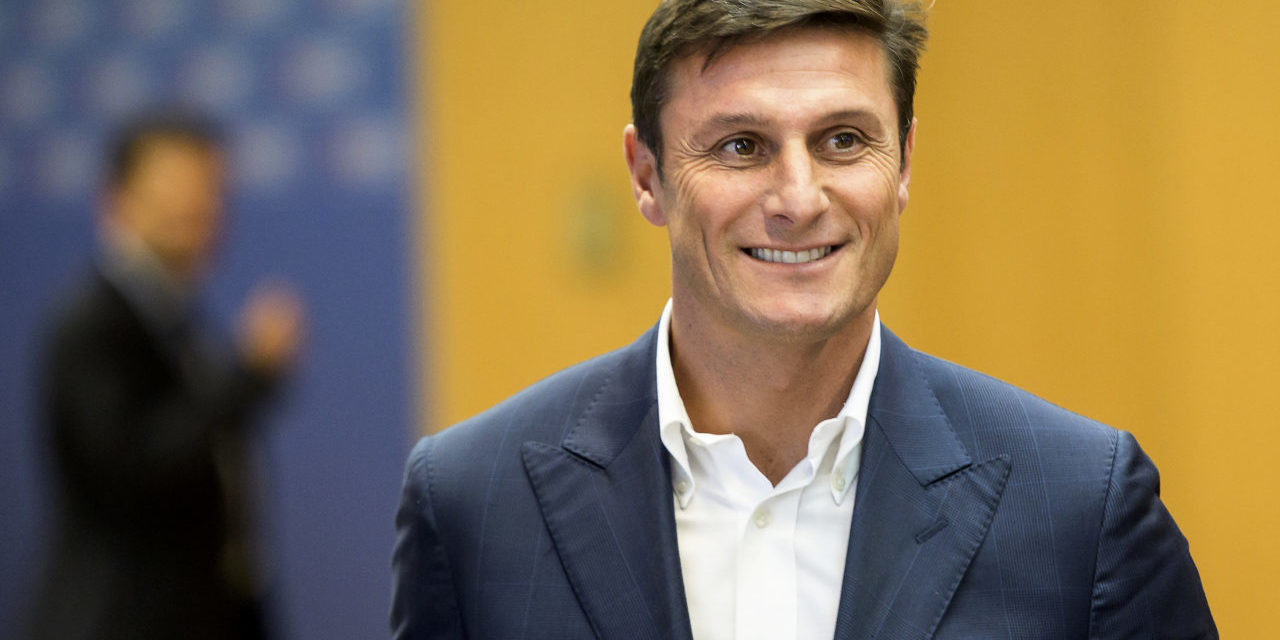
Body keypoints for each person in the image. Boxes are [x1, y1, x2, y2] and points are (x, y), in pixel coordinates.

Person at [390, 1, 1216, 638]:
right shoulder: (472, 504)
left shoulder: (1081, 508)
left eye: (844, 140)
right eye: (741, 146)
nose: (797, 198)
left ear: (905, 165)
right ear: (646, 175)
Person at [29, 114, 305, 640]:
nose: (197, 207)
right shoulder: (91, 323)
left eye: (210, 190)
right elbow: (127, 468)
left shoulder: (176, 320)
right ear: (117, 200)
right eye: (176, 188)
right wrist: (245, 377)